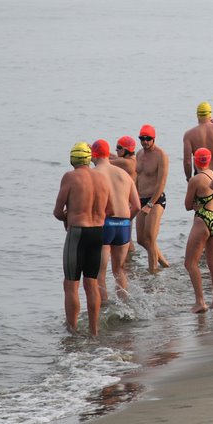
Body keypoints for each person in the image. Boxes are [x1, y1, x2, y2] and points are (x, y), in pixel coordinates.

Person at [53, 142, 112, 336]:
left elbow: (57, 211)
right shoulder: (102, 178)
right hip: (98, 233)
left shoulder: (70, 177)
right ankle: (94, 331)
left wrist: (68, 216)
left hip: (77, 233)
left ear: (72, 160)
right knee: (91, 283)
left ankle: (72, 330)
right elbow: (110, 209)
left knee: (71, 284)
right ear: (88, 158)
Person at [91, 139, 140, 302]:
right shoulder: (123, 174)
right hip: (124, 225)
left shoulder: (94, 173)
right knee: (119, 270)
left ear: (94, 154)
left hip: (106, 224)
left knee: (100, 274)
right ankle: (125, 306)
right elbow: (137, 206)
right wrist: (125, 221)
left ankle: (104, 308)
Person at [183, 148, 213, 313]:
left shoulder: (196, 179)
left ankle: (200, 301)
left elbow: (188, 206)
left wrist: (196, 204)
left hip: (203, 220)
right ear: (209, 160)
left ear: (196, 161)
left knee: (190, 263)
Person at [135, 124, 170, 273]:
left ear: (153, 139)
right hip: (140, 199)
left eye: (148, 139)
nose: (145, 142)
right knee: (141, 240)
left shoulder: (161, 155)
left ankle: (153, 272)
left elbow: (162, 182)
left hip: (155, 200)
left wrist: (150, 203)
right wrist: (133, 197)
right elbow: (137, 177)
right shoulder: (139, 154)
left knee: (150, 238)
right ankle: (164, 263)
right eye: (142, 139)